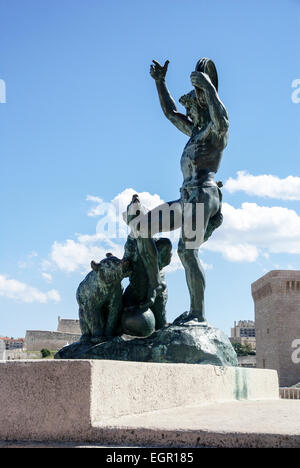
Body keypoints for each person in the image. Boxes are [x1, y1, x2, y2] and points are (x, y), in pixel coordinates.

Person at [130, 58, 229, 323]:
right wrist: (160, 82)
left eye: (192, 110)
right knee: (140, 227)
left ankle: (197, 314)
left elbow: (223, 120)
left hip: (203, 195)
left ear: (201, 107)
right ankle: (154, 286)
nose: (188, 115)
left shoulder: (213, 132)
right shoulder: (194, 133)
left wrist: (208, 87)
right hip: (187, 197)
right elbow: (170, 113)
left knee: (187, 251)